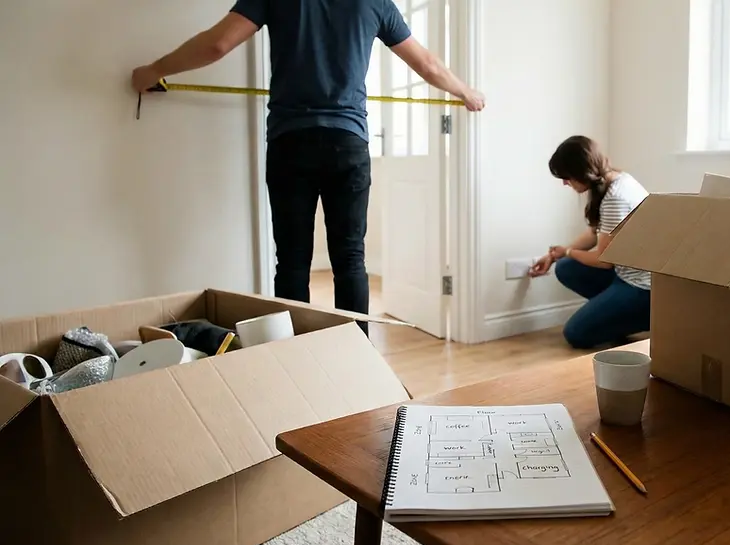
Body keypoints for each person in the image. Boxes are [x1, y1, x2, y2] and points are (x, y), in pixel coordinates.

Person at [130, 0, 485, 336]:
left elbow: (218, 44)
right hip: (347, 145)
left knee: (291, 263)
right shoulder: (375, 2)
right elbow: (428, 65)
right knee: (350, 259)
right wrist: (466, 91)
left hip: (291, 144)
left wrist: (154, 70)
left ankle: (295, 360)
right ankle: (357, 359)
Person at [529, 136, 650, 349]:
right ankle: (614, 317)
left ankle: (644, 318)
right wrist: (555, 255)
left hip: (642, 288)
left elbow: (604, 261)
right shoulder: (614, 180)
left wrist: (567, 251)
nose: (564, 183)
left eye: (566, 177)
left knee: (576, 333)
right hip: (625, 274)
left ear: (581, 172)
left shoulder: (616, 197)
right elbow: (593, 235)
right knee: (566, 267)